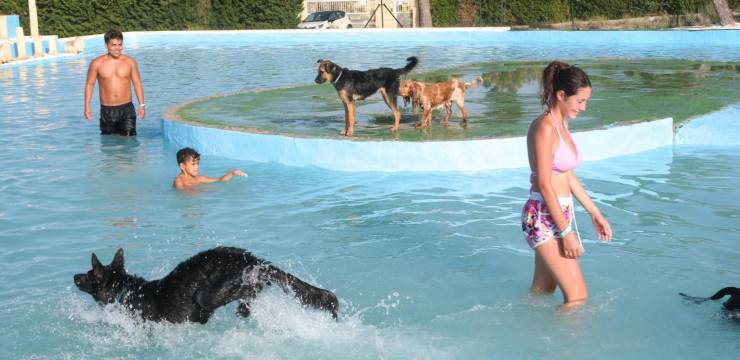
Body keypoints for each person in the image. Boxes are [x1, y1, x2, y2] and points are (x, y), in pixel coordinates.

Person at [521, 61, 613, 309]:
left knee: (543, 290)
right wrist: (566, 233)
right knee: (577, 297)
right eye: (580, 101)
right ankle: (563, 348)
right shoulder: (545, 127)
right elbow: (544, 184)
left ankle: (523, 333)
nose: (583, 108)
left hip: (557, 213)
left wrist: (595, 213)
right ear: (561, 95)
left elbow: (567, 175)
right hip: (543, 215)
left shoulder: (561, 125)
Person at [84, 29, 145, 136]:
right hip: (107, 110)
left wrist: (142, 105)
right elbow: (90, 85)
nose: (118, 48)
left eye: (120, 44)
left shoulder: (130, 62)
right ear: (106, 45)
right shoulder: (96, 63)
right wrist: (87, 107)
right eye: (114, 45)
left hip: (127, 109)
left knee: (129, 142)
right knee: (109, 145)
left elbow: (137, 83)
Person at [173, 147, 247, 190]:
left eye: (197, 164)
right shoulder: (179, 180)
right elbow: (182, 193)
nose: (197, 167)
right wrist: (202, 191)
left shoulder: (199, 178)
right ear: (182, 166)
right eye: (193, 164)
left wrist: (232, 173)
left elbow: (219, 180)